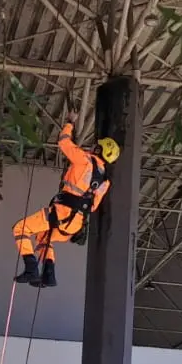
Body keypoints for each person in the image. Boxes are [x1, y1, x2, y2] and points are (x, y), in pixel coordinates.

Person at [11, 121, 120, 288]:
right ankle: (49, 275)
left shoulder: (84, 160)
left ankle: (31, 268)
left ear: (99, 150)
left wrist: (70, 123)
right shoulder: (105, 182)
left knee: (21, 228)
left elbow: (63, 141)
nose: (92, 147)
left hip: (61, 212)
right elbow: (92, 207)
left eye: (95, 146)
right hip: (75, 224)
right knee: (43, 237)